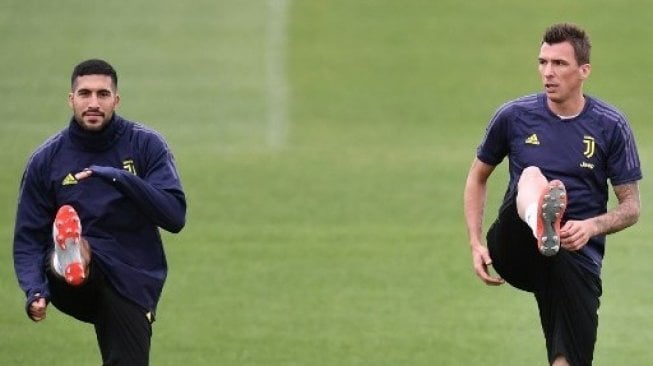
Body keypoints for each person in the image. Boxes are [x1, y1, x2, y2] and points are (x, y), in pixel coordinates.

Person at [463, 23, 641, 366]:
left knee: (567, 360)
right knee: (531, 175)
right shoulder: (514, 116)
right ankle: (539, 219)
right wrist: (475, 242)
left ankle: (552, 227)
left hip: (576, 255)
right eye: (543, 62)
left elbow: (632, 207)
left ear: (584, 71)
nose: (548, 72)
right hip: (517, 244)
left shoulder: (610, 125)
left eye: (559, 64)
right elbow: (477, 176)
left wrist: (590, 227)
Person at [13, 59, 187, 365]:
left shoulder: (146, 145)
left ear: (116, 100)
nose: (93, 103)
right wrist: (34, 290)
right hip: (73, 284)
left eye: (102, 94)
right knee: (77, 256)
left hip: (132, 277)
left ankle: (71, 254)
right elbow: (27, 237)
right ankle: (69, 254)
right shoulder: (46, 161)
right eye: (85, 94)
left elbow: (174, 216)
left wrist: (118, 177)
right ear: (71, 99)